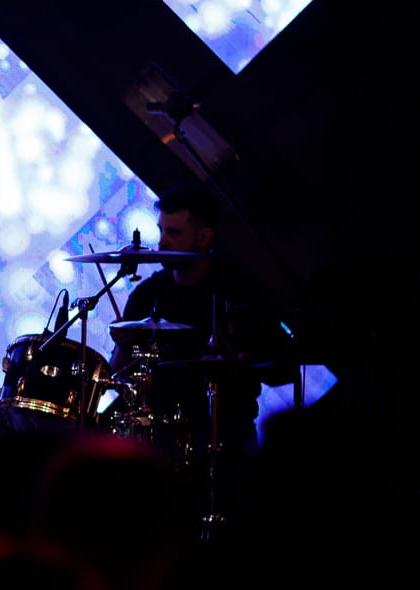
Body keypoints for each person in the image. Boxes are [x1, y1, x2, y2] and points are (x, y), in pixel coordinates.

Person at [110, 183, 287, 465]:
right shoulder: (148, 293)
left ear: (204, 237)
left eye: (174, 232)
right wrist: (123, 344)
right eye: (161, 230)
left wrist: (242, 360)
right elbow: (118, 374)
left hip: (228, 434)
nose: (162, 242)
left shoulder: (239, 291)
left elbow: (282, 371)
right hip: (161, 435)